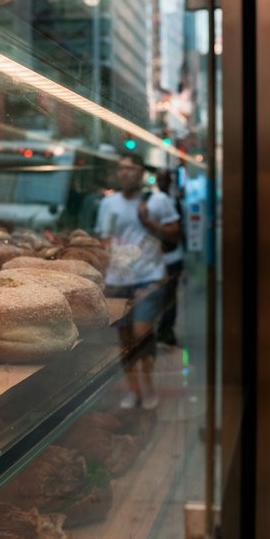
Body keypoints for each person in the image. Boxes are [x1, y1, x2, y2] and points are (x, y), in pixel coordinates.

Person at [96, 154, 180, 410]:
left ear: (142, 172)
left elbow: (175, 235)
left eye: (130, 169)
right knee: (125, 341)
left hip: (149, 278)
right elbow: (105, 238)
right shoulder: (109, 203)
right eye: (121, 169)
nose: (125, 174)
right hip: (118, 281)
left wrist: (148, 221)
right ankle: (134, 390)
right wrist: (111, 251)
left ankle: (149, 387)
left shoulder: (158, 200)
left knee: (141, 334)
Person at [155, 169, 184, 346]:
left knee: (169, 296)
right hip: (157, 258)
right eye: (160, 179)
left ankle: (166, 329)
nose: (162, 183)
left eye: (165, 179)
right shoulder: (153, 201)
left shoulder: (174, 202)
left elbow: (177, 232)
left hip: (172, 257)